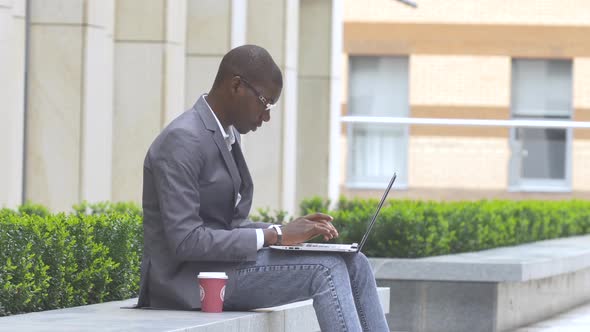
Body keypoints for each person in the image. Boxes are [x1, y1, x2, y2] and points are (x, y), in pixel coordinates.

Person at [137, 44, 389, 332]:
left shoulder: (224, 134)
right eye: (265, 102)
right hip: (188, 282)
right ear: (236, 86)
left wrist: (287, 231)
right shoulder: (183, 140)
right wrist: (275, 235)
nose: (266, 116)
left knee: (356, 263)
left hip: (220, 267)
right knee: (326, 270)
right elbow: (186, 241)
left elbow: (226, 227)